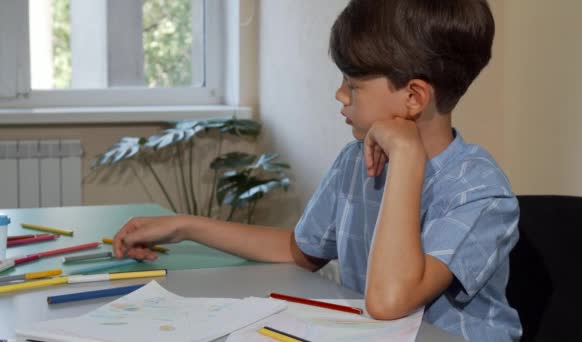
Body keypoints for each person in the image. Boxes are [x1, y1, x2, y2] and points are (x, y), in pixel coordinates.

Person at [113, 0, 521, 340]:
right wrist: (184, 226)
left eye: (353, 84)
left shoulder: (479, 192)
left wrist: (408, 159)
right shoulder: (355, 161)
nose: (339, 94)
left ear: (413, 97)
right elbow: (298, 250)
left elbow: (389, 301)